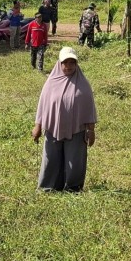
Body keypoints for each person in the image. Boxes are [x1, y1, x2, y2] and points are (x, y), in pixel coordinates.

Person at [33, 47, 97, 192]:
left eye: (72, 63)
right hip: (53, 129)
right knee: (51, 160)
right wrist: (38, 126)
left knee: (74, 161)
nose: (68, 66)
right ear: (59, 64)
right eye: (65, 63)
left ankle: (73, 188)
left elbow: (89, 108)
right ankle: (48, 187)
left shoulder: (83, 84)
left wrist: (91, 130)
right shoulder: (51, 82)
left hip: (76, 130)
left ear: (76, 64)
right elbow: (43, 105)